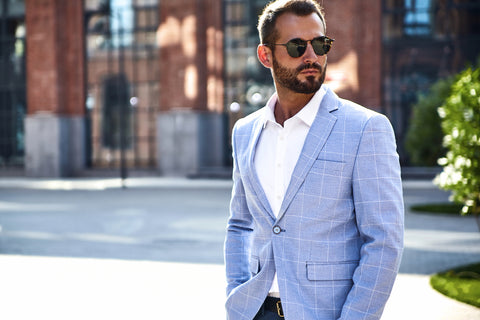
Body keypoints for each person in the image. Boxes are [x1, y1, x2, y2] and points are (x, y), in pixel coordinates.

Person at [224, 0, 404, 319]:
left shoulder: (365, 128)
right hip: (255, 310)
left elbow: (384, 241)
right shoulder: (245, 131)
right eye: (296, 46)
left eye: (320, 44)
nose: (312, 56)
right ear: (266, 55)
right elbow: (241, 223)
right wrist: (237, 292)